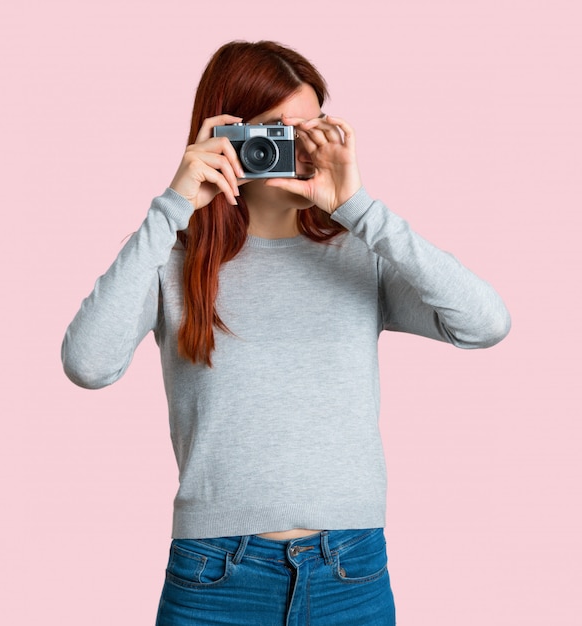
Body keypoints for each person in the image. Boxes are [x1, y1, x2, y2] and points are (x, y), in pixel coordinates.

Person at [62, 40, 510, 626]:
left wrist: (359, 208)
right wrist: (174, 204)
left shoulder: (361, 251)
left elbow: (485, 325)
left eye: (312, 127)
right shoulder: (170, 256)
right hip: (214, 573)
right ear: (225, 135)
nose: (297, 148)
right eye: (276, 130)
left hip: (349, 568)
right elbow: (88, 364)